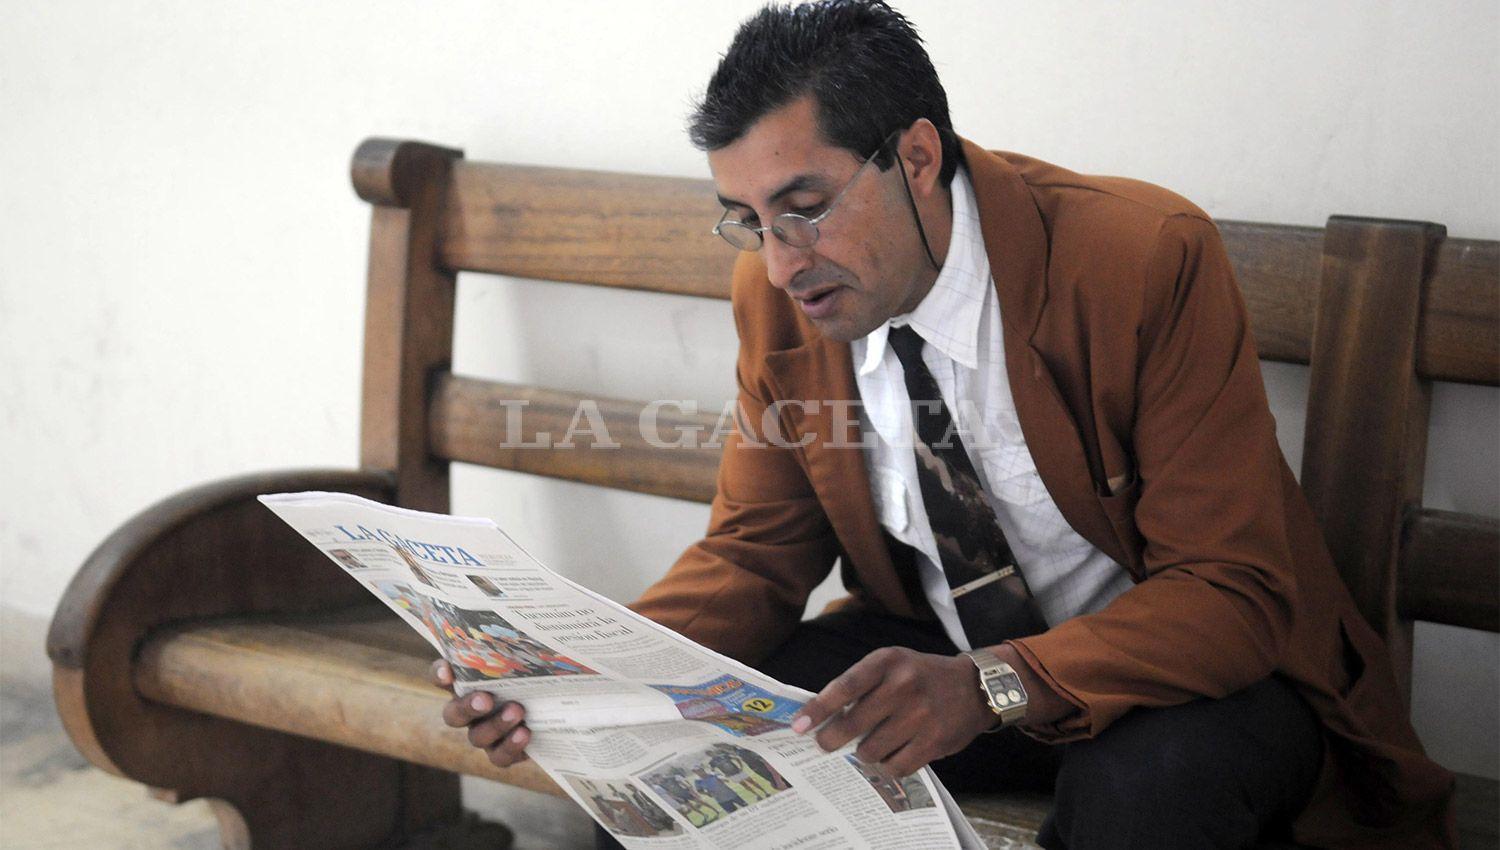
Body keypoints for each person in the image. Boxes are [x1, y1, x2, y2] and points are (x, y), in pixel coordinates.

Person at [432, 2, 1456, 847]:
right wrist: (581, 683)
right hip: (945, 657)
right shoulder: (784, 299)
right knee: (694, 741)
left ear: (916, 155)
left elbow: (1234, 593)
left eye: (805, 205)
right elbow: (755, 554)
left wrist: (996, 683)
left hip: (1184, 683)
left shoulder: (1141, 260)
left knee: (1146, 795)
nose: (782, 260)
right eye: (748, 220)